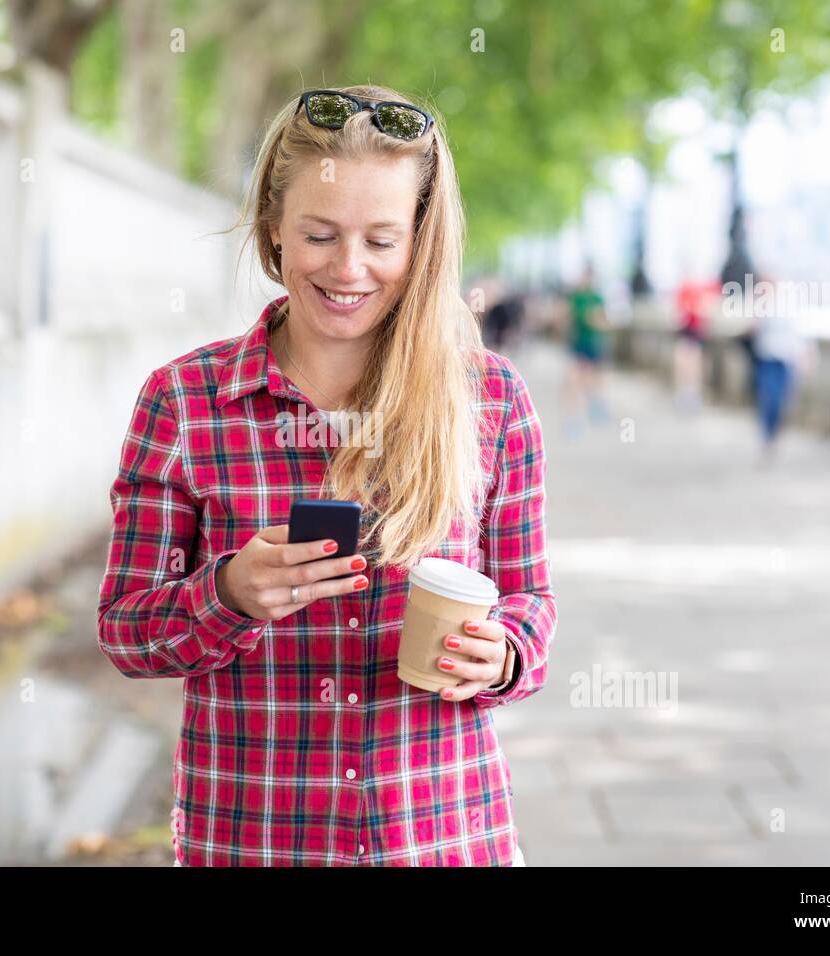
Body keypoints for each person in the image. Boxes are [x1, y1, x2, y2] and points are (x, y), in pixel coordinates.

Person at [97, 85, 556, 867]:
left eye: (381, 241)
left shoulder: (492, 400)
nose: (348, 269)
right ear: (274, 228)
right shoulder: (184, 403)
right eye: (319, 234)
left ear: (421, 242)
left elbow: (531, 601)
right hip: (254, 843)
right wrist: (229, 593)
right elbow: (127, 631)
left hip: (442, 837)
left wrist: (505, 654)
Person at [747, 278, 815, 462]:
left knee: (781, 401)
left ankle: (774, 436)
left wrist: (805, 356)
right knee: (768, 398)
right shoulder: (759, 305)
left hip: (785, 360)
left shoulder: (786, 306)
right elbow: (752, 330)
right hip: (766, 359)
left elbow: (799, 333)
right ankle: (767, 436)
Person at [562, 266, 609, 436]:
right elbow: (566, 318)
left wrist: (595, 322)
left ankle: (596, 405)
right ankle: (574, 418)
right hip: (578, 344)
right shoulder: (576, 297)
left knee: (593, 378)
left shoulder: (597, 297)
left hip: (594, 343)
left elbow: (603, 321)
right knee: (574, 380)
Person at [673, 279, 713, 415]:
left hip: (695, 337)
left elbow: (705, 320)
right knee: (683, 367)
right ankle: (684, 394)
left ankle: (693, 396)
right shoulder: (683, 296)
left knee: (694, 368)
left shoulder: (702, 297)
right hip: (685, 336)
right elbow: (678, 318)